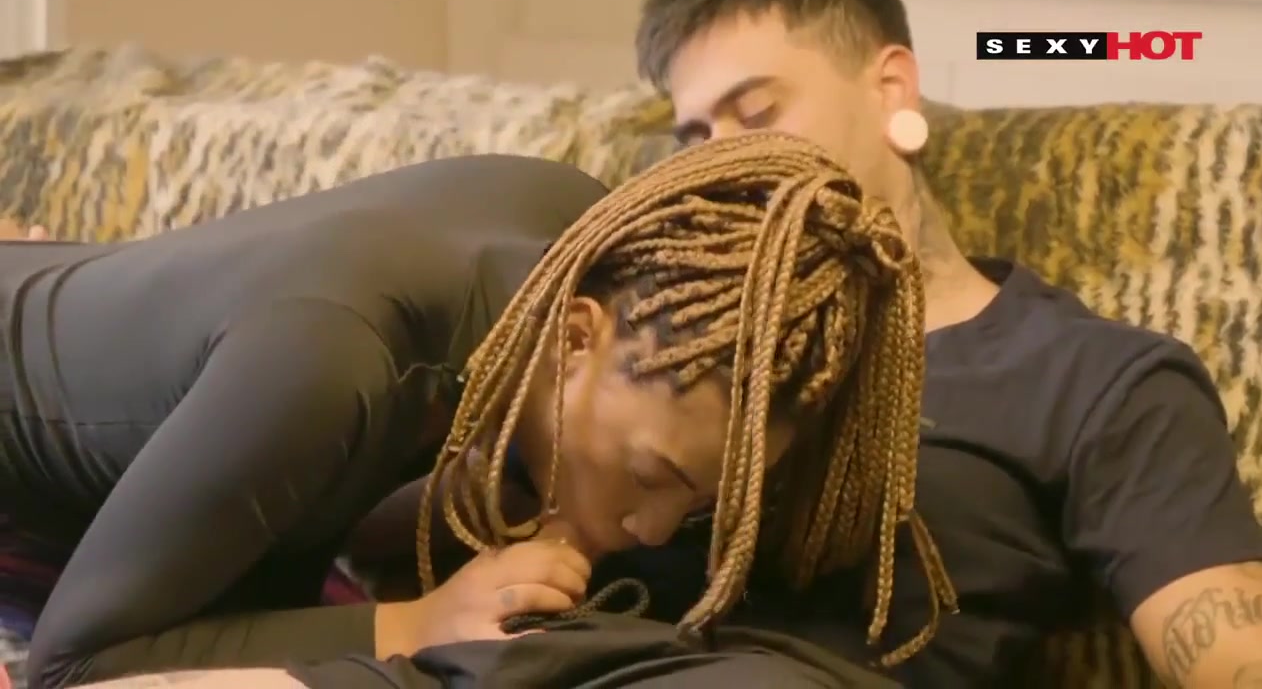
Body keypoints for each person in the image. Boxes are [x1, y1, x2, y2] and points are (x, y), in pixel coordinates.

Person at [4, 133, 935, 688]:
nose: (653, 527)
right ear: (577, 338)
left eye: (694, 503)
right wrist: (415, 625)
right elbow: (76, 665)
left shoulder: (578, 237)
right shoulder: (332, 364)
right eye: (652, 476)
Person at [628, 0, 1262, 687]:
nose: (718, 165)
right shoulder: (648, 333)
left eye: (755, 113)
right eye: (695, 139)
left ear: (892, 90)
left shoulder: (1088, 381)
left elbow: (1237, 653)